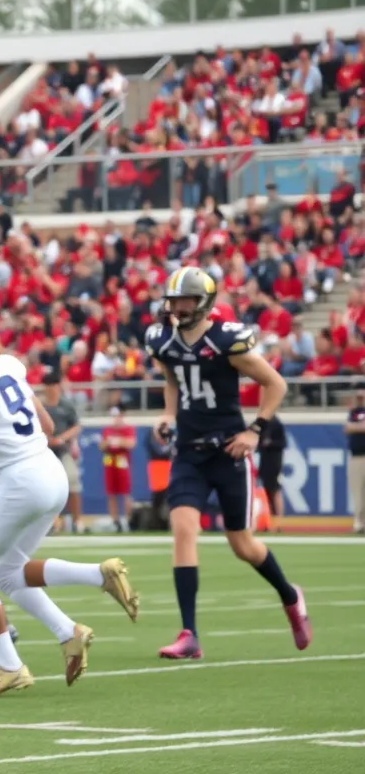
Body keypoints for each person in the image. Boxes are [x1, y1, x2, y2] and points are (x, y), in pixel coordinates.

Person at [0, 304, 139, 697]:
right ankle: (75, 618)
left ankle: (9, 665)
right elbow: (49, 425)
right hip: (50, 471)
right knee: (6, 572)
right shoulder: (7, 365)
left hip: (21, 481)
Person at [146, 267, 311, 660]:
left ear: (203, 301)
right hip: (188, 452)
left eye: (185, 300)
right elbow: (173, 377)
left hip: (227, 452)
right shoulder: (163, 339)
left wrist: (255, 430)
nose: (178, 307)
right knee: (183, 529)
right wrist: (169, 415)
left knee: (242, 544)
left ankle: (290, 596)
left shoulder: (226, 340)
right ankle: (189, 634)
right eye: (174, 300)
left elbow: (276, 383)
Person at [41, 372, 85, 533]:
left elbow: (76, 426)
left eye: (53, 385)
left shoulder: (66, 405)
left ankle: (77, 521)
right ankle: (50, 522)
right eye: (48, 386)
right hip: (44, 452)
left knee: (73, 482)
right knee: (46, 488)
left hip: (63, 450)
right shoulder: (41, 405)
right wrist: (45, 439)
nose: (51, 389)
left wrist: (61, 438)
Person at [100, 407, 136, 532]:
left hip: (122, 462)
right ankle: (114, 520)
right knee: (111, 493)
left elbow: (131, 443)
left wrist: (119, 441)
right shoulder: (107, 430)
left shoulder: (128, 429)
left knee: (125, 492)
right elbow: (102, 446)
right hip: (110, 462)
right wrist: (108, 443)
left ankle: (127, 519)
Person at [257, 415, 287, 529]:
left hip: (273, 462)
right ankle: (269, 521)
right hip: (265, 461)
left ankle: (278, 522)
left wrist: (269, 443)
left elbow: (282, 443)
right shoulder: (264, 422)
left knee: (274, 490)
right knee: (267, 492)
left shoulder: (275, 423)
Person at [344, 384, 365, 535]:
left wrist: (355, 426)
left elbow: (352, 427)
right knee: (357, 492)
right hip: (356, 456)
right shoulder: (354, 412)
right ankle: (359, 523)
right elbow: (347, 428)